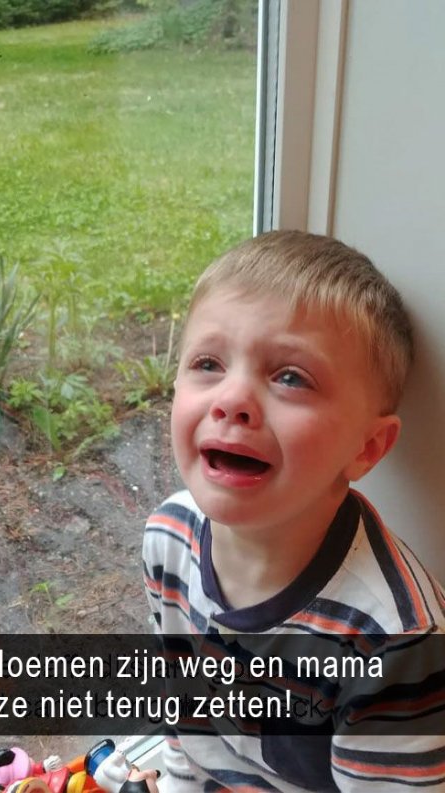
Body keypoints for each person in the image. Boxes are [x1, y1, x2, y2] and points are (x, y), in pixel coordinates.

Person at [143, 230, 445, 791]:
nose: (231, 400)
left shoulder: (394, 640)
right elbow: (183, 713)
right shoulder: (169, 536)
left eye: (290, 377)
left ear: (366, 447)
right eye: (208, 363)